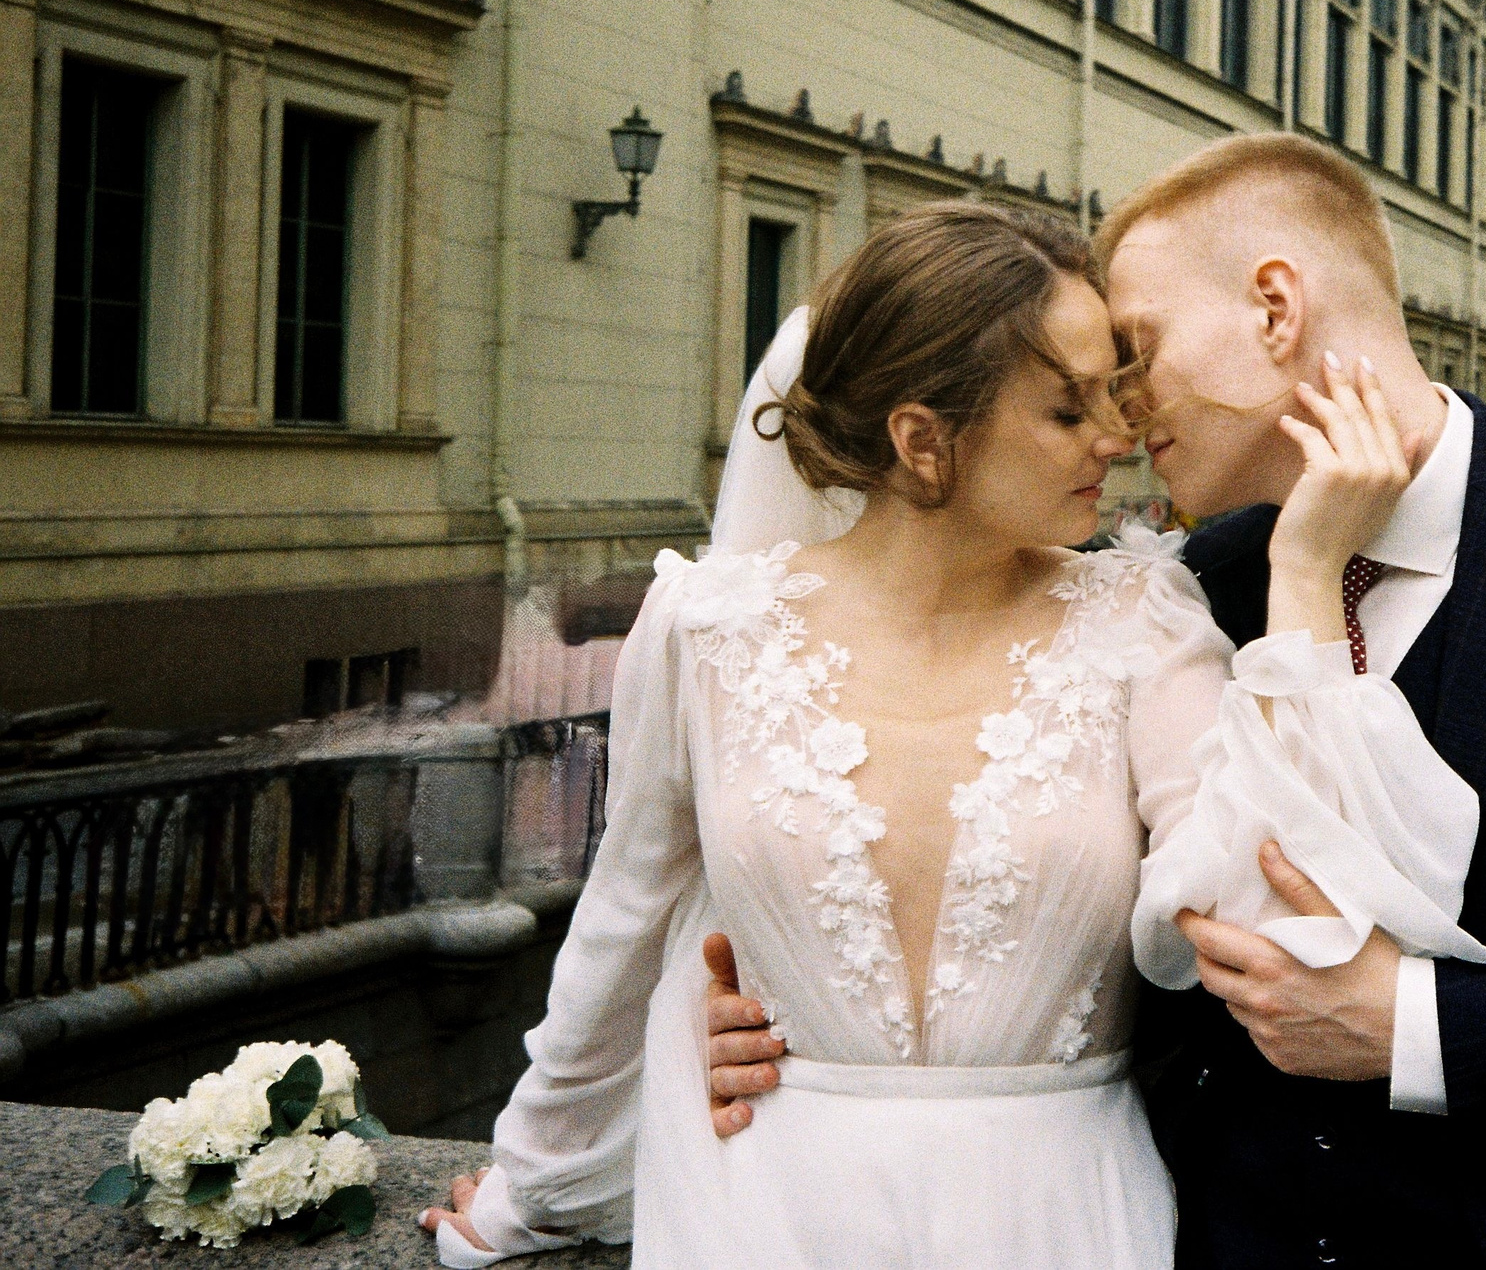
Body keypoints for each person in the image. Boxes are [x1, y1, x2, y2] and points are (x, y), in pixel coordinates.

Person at [706, 134, 1486, 1267]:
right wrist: (803, 1035)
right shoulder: (1188, 593)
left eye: (1135, 352)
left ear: (1274, 310)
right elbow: (1093, 933)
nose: (1121, 416)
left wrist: (1422, 1029)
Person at [421, 200, 1419, 1269]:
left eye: (1111, 394)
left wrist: (1307, 576)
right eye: (1066, 410)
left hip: (1064, 1216)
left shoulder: (1142, 620)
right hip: (762, 1212)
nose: (1117, 437)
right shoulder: (706, 628)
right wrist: (533, 1186)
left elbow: (1265, 901)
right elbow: (621, 924)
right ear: (922, 440)